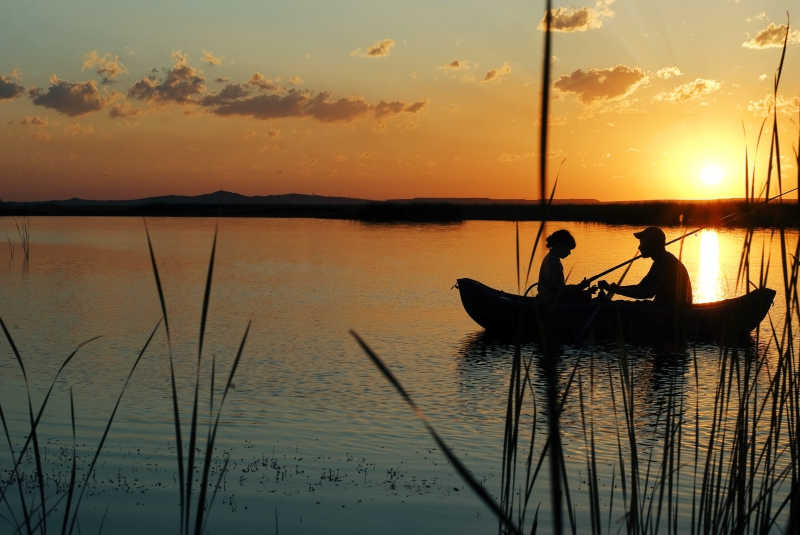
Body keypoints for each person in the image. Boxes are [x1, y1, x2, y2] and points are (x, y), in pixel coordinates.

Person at [598, 227, 692, 307]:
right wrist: (615, 288)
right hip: (666, 307)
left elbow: (645, 292)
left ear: (652, 244)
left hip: (669, 313)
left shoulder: (664, 263)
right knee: (622, 304)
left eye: (642, 243)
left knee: (620, 306)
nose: (639, 247)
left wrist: (614, 289)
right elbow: (643, 288)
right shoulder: (663, 260)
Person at [537, 229, 592, 304]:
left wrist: (580, 287)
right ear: (560, 245)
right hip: (552, 302)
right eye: (568, 249)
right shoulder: (554, 264)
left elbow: (559, 288)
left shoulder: (549, 257)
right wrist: (580, 287)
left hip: (546, 298)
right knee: (586, 297)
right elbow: (561, 291)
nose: (569, 253)